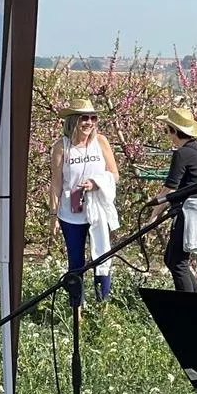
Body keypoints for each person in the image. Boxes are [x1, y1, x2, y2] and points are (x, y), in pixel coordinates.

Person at [48, 97, 119, 308]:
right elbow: (56, 183)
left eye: (93, 118)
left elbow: (114, 174)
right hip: (71, 211)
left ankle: (102, 307)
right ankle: (76, 309)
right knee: (76, 262)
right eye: (84, 118)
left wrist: (96, 183)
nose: (89, 123)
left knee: (102, 256)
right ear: (73, 120)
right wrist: (53, 215)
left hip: (97, 208)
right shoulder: (61, 146)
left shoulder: (101, 142)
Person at [151, 106, 197, 293]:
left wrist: (153, 215)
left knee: (178, 262)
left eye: (168, 130)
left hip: (190, 210)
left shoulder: (182, 153)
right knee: (173, 259)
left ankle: (190, 306)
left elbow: (169, 188)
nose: (168, 135)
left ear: (174, 131)